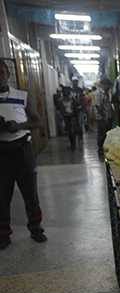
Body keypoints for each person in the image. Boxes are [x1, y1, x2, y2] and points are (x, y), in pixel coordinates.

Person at [0, 59, 46, 249]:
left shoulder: (22, 96)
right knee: (2, 195)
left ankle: (36, 228)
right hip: (1, 152)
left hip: (22, 149)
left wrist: (18, 126)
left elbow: (38, 122)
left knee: (30, 191)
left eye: (2, 72)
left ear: (8, 75)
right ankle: (3, 233)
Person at [93, 78, 114, 156]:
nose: (109, 87)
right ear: (104, 85)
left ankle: (106, 148)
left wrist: (112, 112)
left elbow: (108, 104)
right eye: (108, 85)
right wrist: (104, 117)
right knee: (102, 134)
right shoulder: (97, 93)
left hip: (108, 116)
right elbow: (98, 106)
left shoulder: (106, 93)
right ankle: (101, 149)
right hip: (101, 118)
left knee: (107, 133)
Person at [71, 77, 86, 143]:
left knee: (79, 124)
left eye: (76, 81)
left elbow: (83, 99)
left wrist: (84, 108)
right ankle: (73, 138)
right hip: (71, 110)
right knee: (72, 125)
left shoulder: (80, 90)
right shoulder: (70, 90)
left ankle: (80, 137)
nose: (75, 82)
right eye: (74, 81)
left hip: (80, 109)